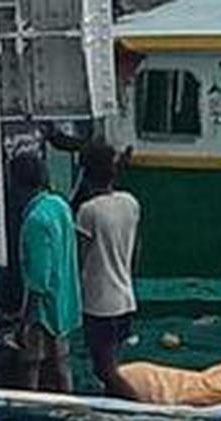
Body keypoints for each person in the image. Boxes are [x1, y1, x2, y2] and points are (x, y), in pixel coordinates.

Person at [12, 152, 82, 393]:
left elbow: (39, 280)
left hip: (42, 311)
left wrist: (24, 322)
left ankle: (29, 418)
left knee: (31, 366)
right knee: (62, 365)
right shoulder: (60, 206)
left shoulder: (35, 220)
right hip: (64, 302)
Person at [76, 142, 141, 399]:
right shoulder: (130, 203)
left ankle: (142, 409)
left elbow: (80, 259)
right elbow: (136, 251)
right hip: (125, 299)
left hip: (98, 304)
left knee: (104, 370)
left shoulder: (87, 212)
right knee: (115, 366)